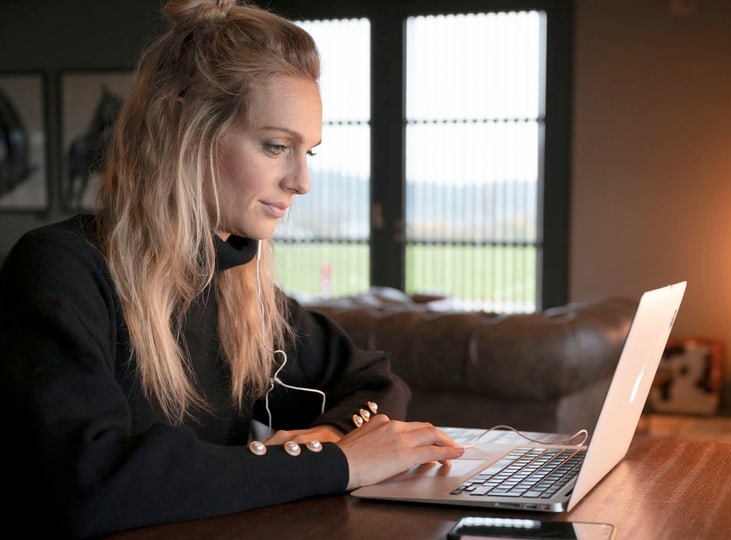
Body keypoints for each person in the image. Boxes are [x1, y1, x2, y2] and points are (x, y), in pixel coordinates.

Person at [0, 1, 463, 537]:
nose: (301, 181)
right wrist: (339, 463)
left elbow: (374, 381)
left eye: (308, 150)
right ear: (184, 126)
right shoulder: (59, 269)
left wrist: (331, 436)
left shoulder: (239, 284)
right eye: (276, 146)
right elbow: (91, 483)